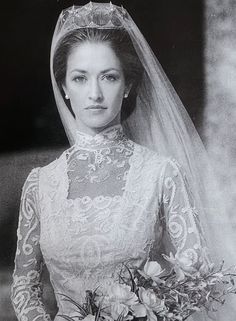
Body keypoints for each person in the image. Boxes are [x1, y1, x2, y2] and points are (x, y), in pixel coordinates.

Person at [10, 2, 236, 321]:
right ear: (63, 87)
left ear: (127, 85)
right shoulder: (40, 183)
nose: (95, 94)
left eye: (109, 77)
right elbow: (25, 285)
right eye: (80, 78)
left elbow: (196, 280)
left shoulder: (162, 173)